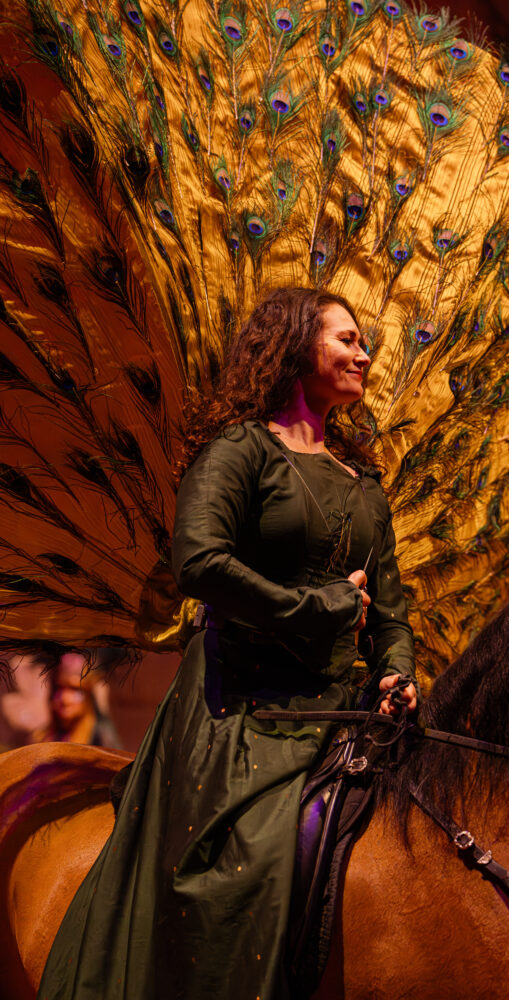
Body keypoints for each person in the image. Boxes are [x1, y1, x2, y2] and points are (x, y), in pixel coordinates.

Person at [37, 286, 418, 1000]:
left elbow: (389, 608)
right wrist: (320, 606)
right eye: (345, 338)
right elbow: (201, 563)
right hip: (238, 713)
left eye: (362, 341)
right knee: (230, 879)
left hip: (340, 712)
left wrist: (398, 668)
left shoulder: (363, 483)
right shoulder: (239, 453)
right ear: (295, 347)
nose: (363, 353)